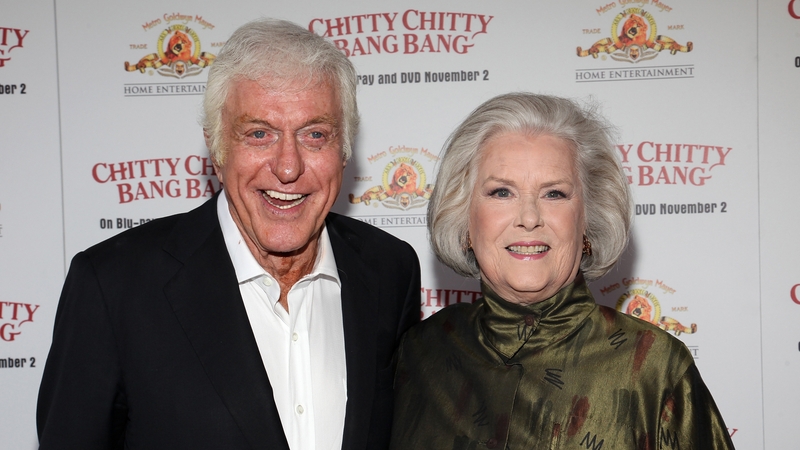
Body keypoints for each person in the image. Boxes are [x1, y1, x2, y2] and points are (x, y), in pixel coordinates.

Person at [37, 18, 420, 450]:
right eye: (259, 134)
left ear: (344, 150)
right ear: (216, 150)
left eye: (315, 135)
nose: (288, 167)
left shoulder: (390, 270)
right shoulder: (112, 287)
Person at [390, 93, 734, 449]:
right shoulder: (420, 354)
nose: (529, 218)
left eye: (554, 194)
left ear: (589, 218)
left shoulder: (655, 367)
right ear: (464, 218)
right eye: (501, 192)